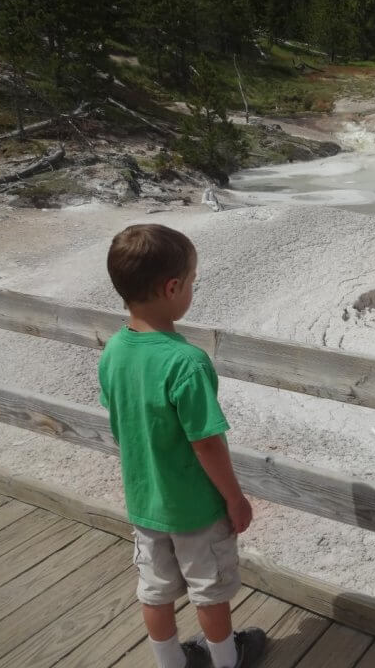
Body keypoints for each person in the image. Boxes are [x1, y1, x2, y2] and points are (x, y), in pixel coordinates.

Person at [99, 224, 266, 668]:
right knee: (208, 591)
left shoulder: (114, 350)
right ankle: (228, 660)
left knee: (154, 590)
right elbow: (207, 443)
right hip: (195, 508)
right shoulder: (186, 361)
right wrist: (235, 498)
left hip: (144, 502)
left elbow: (122, 423)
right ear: (172, 287)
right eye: (192, 282)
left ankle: (171, 663)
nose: (192, 289)